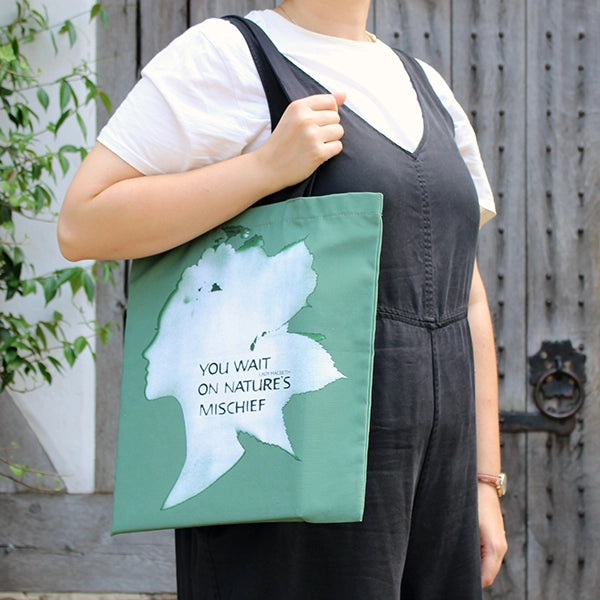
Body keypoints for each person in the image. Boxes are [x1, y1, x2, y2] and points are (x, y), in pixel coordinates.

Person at [58, 0, 508, 597]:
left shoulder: (427, 85)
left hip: (438, 482)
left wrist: (483, 481)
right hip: (291, 455)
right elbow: (83, 223)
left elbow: (466, 294)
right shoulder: (226, 55)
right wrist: (265, 169)